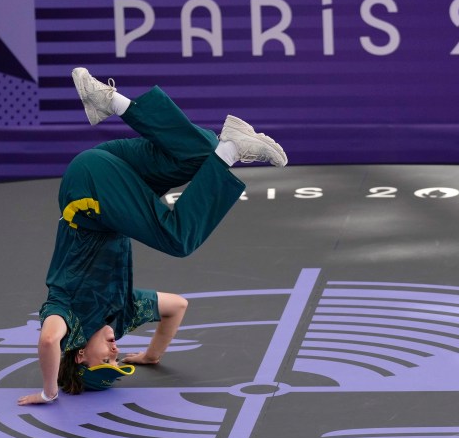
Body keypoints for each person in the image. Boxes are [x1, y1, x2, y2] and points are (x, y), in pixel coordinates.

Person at [17, 68, 287, 405]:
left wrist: (49, 391)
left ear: (79, 356)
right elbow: (177, 306)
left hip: (88, 195)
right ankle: (109, 101)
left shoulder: (67, 317)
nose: (115, 352)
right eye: (117, 360)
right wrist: (151, 355)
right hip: (107, 177)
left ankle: (233, 152)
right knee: (201, 153)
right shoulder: (123, 312)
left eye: (106, 359)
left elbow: (47, 341)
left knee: (178, 239)